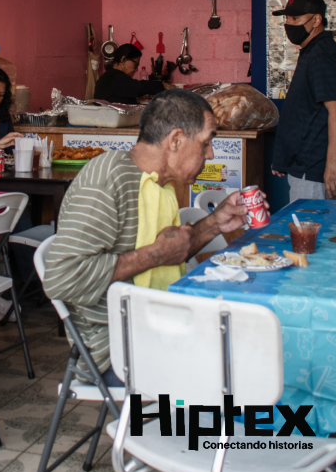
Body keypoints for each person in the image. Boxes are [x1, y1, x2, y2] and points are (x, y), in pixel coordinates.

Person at [41, 90, 248, 385]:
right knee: (243, 366)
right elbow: (63, 277)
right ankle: (185, 429)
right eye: (206, 142)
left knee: (252, 341)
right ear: (175, 140)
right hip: (116, 348)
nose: (211, 153)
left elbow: (168, 252)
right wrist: (158, 254)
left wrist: (215, 222)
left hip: (159, 325)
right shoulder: (107, 179)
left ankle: (219, 428)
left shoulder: (156, 185)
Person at [270, 0, 336, 200]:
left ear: (316, 20)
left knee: (309, 232)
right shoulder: (311, 51)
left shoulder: (322, 55)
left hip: (314, 171)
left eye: (295, 18)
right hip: (302, 166)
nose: (289, 23)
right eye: (287, 18)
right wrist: (284, 157)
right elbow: (305, 113)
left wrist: (332, 165)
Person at [94, 43, 171, 105]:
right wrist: (161, 85)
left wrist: (138, 100)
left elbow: (120, 97)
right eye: (136, 65)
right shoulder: (114, 77)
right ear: (123, 59)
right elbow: (138, 87)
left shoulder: (109, 76)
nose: (136, 69)